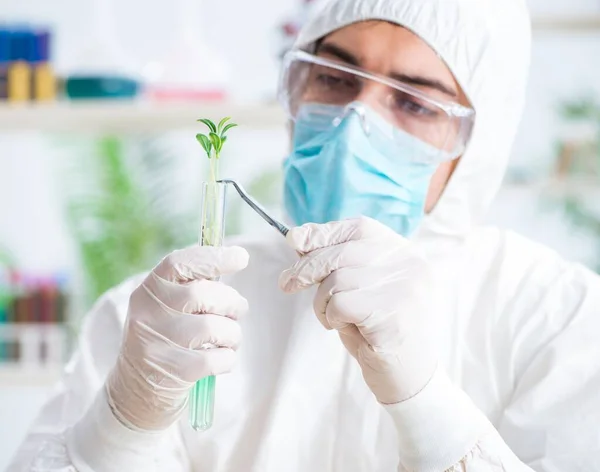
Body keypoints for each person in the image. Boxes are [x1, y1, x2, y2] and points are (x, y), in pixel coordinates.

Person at [9, 0, 600, 470]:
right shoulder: (165, 316)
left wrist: (428, 407)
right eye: (335, 80)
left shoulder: (557, 317)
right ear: (295, 88)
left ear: (479, 147)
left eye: (414, 104)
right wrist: (123, 423)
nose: (354, 124)